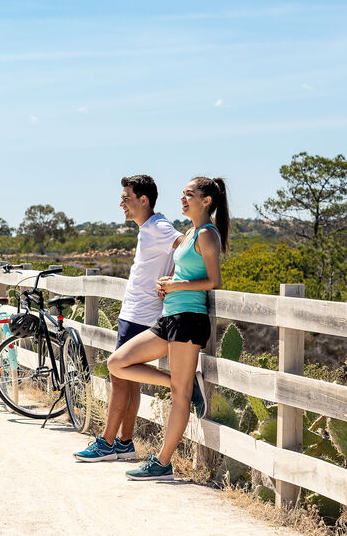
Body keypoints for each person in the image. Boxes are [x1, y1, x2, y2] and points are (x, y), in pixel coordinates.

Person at [107, 176, 230, 481]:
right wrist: (169, 282)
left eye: (189, 195)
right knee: (118, 363)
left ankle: (162, 463)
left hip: (190, 318)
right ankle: (187, 385)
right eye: (183, 194)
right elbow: (185, 268)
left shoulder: (207, 234)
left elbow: (214, 281)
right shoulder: (190, 233)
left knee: (179, 395)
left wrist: (177, 284)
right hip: (169, 317)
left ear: (207, 201)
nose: (182, 199)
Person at [74, 175, 180, 462]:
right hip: (135, 313)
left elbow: (186, 246)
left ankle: (107, 443)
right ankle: (124, 442)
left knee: (118, 376)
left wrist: (177, 280)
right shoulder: (148, 228)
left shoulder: (158, 226)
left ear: (143, 200)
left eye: (126, 198)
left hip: (141, 315)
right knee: (128, 380)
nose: (122, 203)